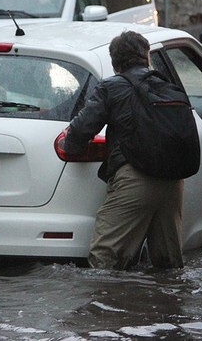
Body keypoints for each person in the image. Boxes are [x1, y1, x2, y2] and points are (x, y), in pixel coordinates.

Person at [64, 31, 184, 270]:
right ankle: (171, 306)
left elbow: (80, 130)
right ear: (147, 57)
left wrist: (72, 148)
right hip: (173, 182)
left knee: (105, 261)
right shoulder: (166, 85)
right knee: (168, 266)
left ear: (114, 61)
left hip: (134, 178)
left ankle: (107, 306)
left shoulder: (111, 87)